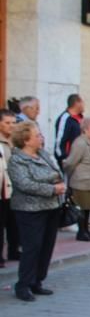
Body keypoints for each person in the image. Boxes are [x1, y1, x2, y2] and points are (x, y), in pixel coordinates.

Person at [7, 122, 65, 302]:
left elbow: (57, 172)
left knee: (46, 246)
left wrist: (55, 186)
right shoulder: (17, 160)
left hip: (51, 207)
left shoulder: (43, 154)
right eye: (37, 135)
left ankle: (37, 281)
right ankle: (23, 284)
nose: (41, 138)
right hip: (30, 209)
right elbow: (24, 184)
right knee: (32, 247)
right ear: (26, 140)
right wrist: (51, 188)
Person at [62, 116, 90, 242]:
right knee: (81, 208)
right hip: (82, 182)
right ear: (85, 129)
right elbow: (70, 162)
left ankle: (86, 230)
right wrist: (70, 177)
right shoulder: (80, 143)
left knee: (87, 208)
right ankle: (81, 232)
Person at [0, 108, 19, 266]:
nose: (11, 126)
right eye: (7, 123)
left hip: (16, 188)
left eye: (13, 123)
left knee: (14, 223)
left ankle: (14, 251)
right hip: (2, 189)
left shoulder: (16, 141)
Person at [54, 93, 85, 167]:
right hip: (70, 162)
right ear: (77, 103)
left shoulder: (81, 119)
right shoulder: (65, 118)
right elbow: (59, 141)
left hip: (81, 161)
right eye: (83, 102)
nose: (84, 105)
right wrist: (64, 159)